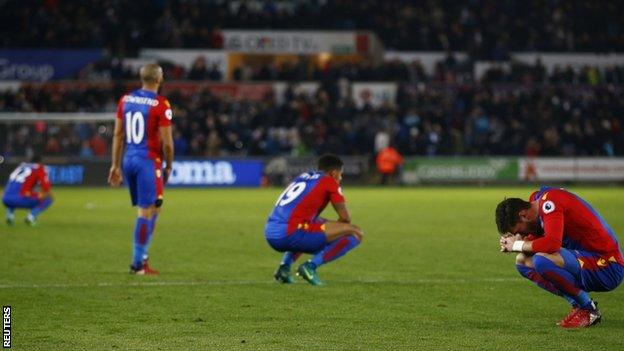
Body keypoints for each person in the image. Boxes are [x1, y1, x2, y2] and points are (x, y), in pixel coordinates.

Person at [495, 186, 624, 328]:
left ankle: (589, 310)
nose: (523, 235)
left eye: (520, 231)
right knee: (522, 261)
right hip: (585, 259)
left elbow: (552, 244)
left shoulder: (550, 203)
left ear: (524, 215)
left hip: (608, 265)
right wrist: (519, 240)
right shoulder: (537, 201)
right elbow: (540, 232)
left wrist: (517, 245)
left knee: (541, 260)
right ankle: (579, 305)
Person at [108, 63, 174, 275]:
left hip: (129, 159)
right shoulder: (160, 104)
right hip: (148, 161)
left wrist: (115, 165)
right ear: (158, 79)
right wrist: (169, 165)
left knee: (155, 206)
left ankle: (142, 258)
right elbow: (167, 144)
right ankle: (137, 263)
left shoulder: (125, 99)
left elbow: (118, 135)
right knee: (146, 211)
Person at [264, 154, 364, 285]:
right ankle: (310, 266)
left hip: (270, 232)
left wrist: (324, 225)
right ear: (334, 173)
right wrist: (332, 230)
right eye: (341, 174)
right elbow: (345, 219)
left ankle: (284, 268)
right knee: (355, 232)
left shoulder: (303, 177)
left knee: (311, 225)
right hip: (290, 234)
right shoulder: (330, 182)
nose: (341, 178)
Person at [2, 155, 53, 226]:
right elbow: (46, 187)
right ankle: (30, 218)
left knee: (13, 193)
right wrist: (45, 194)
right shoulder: (39, 168)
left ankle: (9, 217)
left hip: (5, 199)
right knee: (48, 199)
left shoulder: (21, 167)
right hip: (19, 199)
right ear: (40, 162)